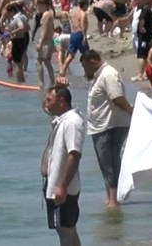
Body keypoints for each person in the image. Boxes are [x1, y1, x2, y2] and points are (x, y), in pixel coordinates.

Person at [78, 49, 133, 208]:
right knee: (106, 162)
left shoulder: (108, 74)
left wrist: (131, 111)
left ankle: (113, 200)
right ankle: (110, 197)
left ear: (93, 61)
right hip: (102, 126)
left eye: (85, 67)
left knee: (109, 162)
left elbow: (117, 98)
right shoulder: (99, 76)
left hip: (110, 126)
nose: (84, 71)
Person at [40, 84, 85, 246]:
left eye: (49, 100)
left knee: (65, 229)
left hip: (63, 186)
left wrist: (63, 187)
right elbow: (46, 108)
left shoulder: (72, 122)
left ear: (61, 101)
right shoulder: (62, 119)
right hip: (57, 185)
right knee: (66, 229)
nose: (46, 104)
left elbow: (75, 154)